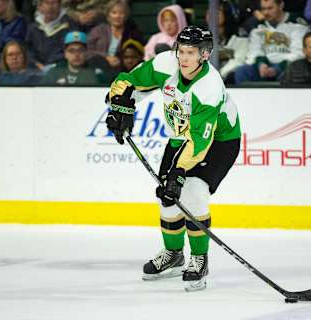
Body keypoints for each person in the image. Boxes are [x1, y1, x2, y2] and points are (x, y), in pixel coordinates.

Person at [105, 25, 241, 292]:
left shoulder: (209, 87)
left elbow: (200, 144)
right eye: (181, 50)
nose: (183, 58)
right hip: (181, 136)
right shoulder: (166, 63)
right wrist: (119, 104)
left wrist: (178, 172)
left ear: (204, 54)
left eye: (191, 53)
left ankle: (199, 258)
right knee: (167, 198)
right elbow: (128, 80)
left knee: (192, 191)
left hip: (219, 141)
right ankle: (174, 254)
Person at [234, 0, 309, 83]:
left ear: (281, 5)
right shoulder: (257, 27)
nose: (266, 13)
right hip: (264, 66)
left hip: (287, 66)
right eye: (263, 9)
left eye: (270, 8)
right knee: (242, 71)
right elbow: (254, 51)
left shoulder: (296, 24)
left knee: (292, 71)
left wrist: (278, 68)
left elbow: (299, 53)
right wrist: (261, 64)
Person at [85, 0, 144, 74]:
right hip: (98, 69)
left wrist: (120, 60)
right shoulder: (98, 30)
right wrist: (106, 58)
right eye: (114, 13)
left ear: (126, 16)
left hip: (122, 71)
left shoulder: (132, 33)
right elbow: (87, 51)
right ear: (108, 15)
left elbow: (135, 55)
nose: (117, 16)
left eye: (121, 13)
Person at [25, 0, 78, 72]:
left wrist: (55, 65)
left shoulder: (69, 25)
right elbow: (28, 50)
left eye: (54, 3)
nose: (50, 7)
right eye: (47, 3)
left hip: (62, 69)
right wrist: (37, 64)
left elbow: (73, 49)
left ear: (60, 6)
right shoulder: (33, 28)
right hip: (37, 69)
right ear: (40, 7)